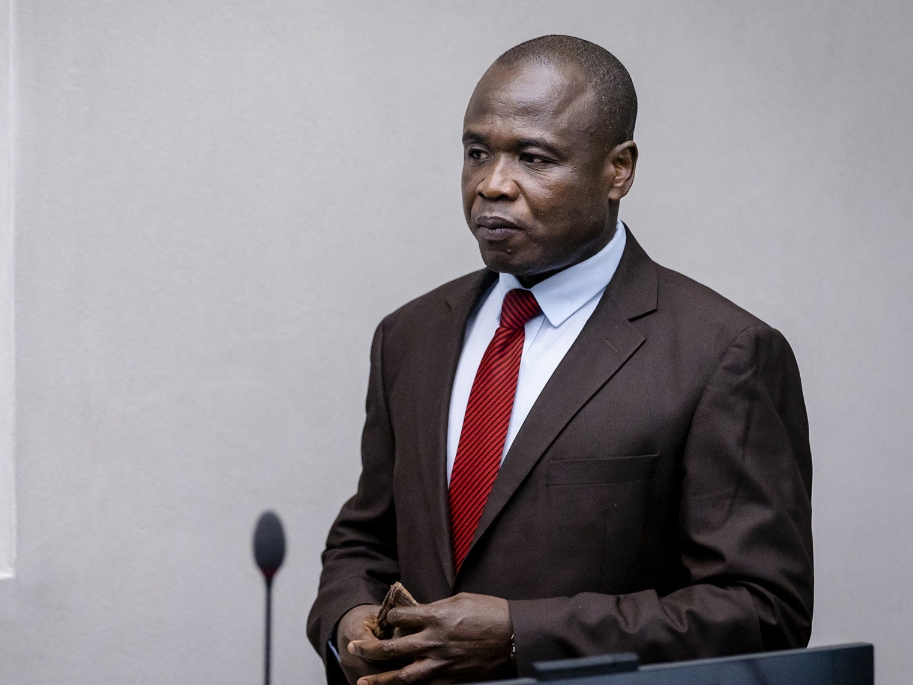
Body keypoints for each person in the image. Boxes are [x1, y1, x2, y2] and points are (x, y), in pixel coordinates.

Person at [306, 35, 814, 685]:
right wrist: (348, 620)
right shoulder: (410, 336)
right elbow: (365, 539)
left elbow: (763, 609)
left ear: (619, 169)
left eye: (534, 157)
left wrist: (524, 635)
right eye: (476, 152)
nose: (492, 184)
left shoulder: (724, 355)